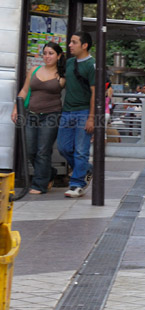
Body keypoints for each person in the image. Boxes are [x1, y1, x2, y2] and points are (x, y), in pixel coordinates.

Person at [12, 42, 66, 194]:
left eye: (51, 53)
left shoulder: (62, 75)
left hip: (51, 116)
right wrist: (16, 107)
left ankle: (40, 184)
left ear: (59, 55)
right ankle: (50, 173)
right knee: (30, 150)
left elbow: (77, 88)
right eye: (45, 53)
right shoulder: (34, 70)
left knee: (43, 150)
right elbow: (24, 90)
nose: (47, 56)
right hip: (31, 114)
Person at [58, 32, 96, 198]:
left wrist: (91, 117)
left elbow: (95, 93)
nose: (70, 45)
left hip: (84, 112)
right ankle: (86, 169)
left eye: (74, 42)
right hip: (67, 111)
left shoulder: (92, 65)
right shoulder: (70, 63)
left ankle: (77, 184)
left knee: (81, 150)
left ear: (84, 45)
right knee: (63, 147)